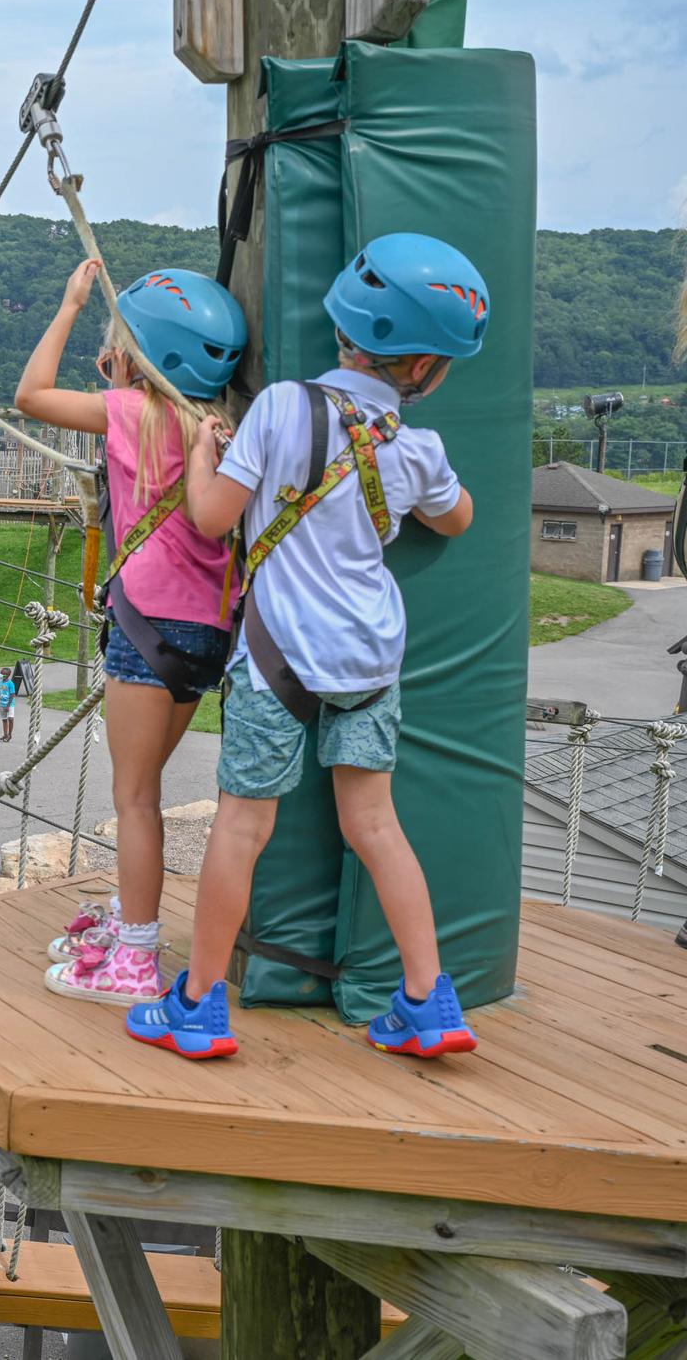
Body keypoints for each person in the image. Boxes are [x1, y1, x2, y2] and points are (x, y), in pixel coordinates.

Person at [125, 233, 488, 1061]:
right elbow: (458, 517)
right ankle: (430, 1001)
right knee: (376, 825)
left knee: (243, 826)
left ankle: (197, 1004)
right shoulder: (416, 447)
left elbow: (214, 517)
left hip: (280, 658)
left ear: (344, 327)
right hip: (371, 658)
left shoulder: (284, 407)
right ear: (427, 368)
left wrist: (204, 457)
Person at [17, 257, 245, 1005]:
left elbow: (32, 395)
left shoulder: (130, 416)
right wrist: (126, 377)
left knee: (135, 797)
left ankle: (138, 955)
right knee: (143, 790)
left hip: (147, 630)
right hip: (208, 631)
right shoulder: (218, 423)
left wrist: (70, 301)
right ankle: (134, 918)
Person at [0, 663, 18, 743]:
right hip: (2, 704)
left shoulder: (10, 683)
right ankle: (5, 735)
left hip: (10, 704)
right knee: (4, 719)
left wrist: (8, 706)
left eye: (2, 673)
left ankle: (9, 734)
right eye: (1, 673)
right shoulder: (0, 683)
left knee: (11, 719)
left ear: (7, 675)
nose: (1, 674)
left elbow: (12, 695)